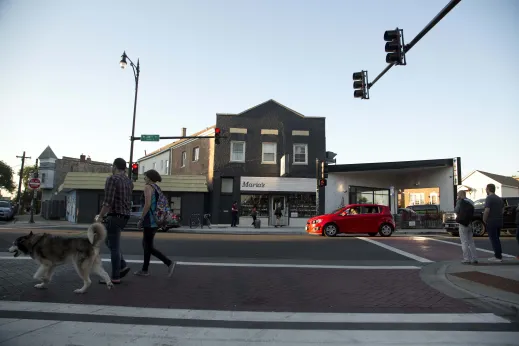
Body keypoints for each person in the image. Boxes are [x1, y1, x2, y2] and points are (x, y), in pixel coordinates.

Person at [94, 158, 133, 284]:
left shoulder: (112, 179)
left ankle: (115, 277)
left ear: (114, 166)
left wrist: (100, 216)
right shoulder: (129, 181)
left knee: (114, 246)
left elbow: (108, 201)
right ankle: (122, 265)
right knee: (108, 240)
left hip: (115, 215)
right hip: (125, 216)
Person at [134, 169, 175, 277]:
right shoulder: (157, 188)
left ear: (150, 177)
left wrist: (141, 219)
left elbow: (147, 205)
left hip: (150, 220)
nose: (144, 178)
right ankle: (145, 269)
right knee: (147, 245)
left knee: (148, 246)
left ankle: (169, 262)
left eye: (145, 176)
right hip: (156, 220)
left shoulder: (148, 187)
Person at [454, 190, 478, 264]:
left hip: (462, 223)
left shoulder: (460, 201)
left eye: (458, 195)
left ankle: (466, 259)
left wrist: (457, 202)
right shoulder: (471, 201)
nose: (457, 197)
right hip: (470, 223)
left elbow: (456, 210)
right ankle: (474, 258)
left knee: (464, 241)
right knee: (471, 241)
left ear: (460, 195)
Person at [483, 183, 504, 262]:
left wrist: (484, 219)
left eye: (486, 189)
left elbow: (487, 210)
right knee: (497, 239)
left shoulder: (489, 198)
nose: (486, 190)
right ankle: (499, 255)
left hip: (491, 221)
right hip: (499, 221)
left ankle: (498, 257)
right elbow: (502, 210)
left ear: (488, 189)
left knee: (493, 239)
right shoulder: (499, 198)